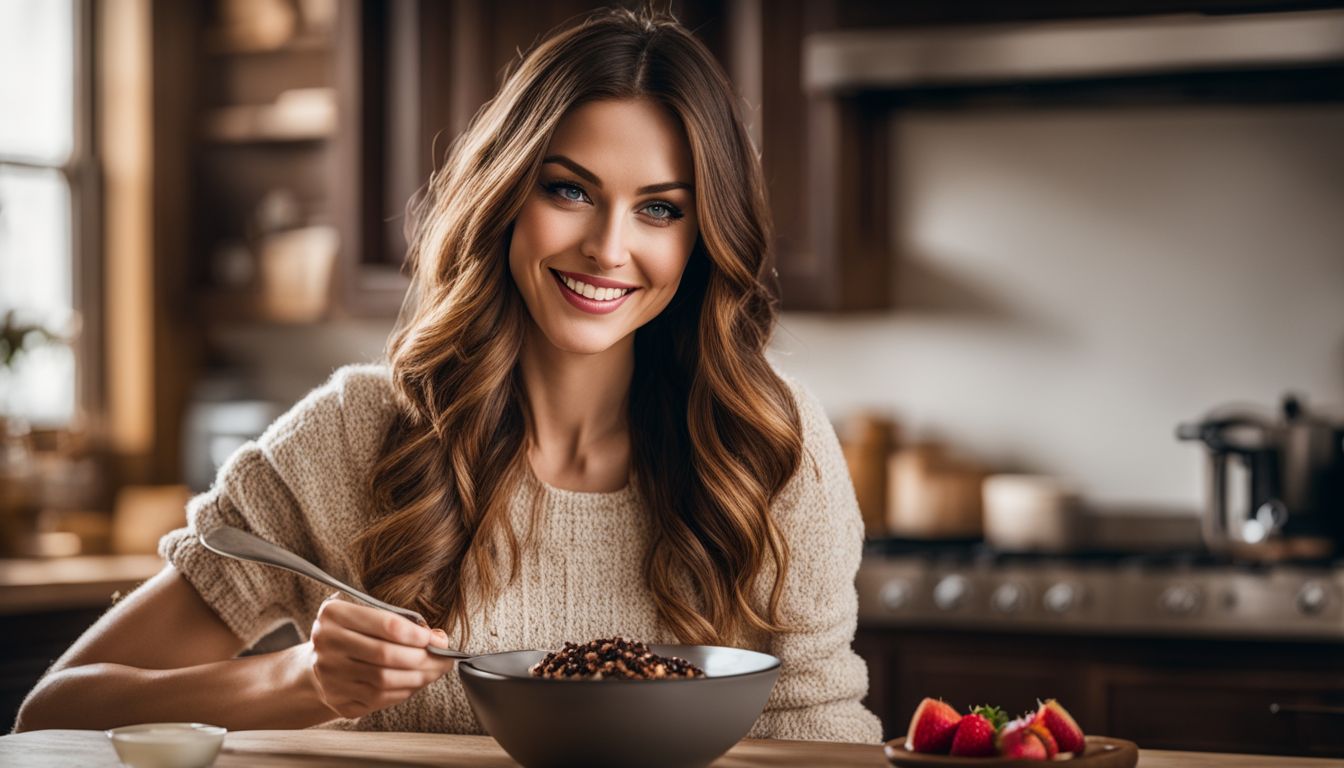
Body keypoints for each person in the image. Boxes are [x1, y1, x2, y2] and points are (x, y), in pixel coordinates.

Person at [16, 6, 881, 743]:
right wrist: (296, 682)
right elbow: (53, 715)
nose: (609, 249)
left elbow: (825, 745)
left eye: (660, 209)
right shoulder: (354, 436)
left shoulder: (771, 448)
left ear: (701, 242)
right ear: (507, 195)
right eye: (569, 191)